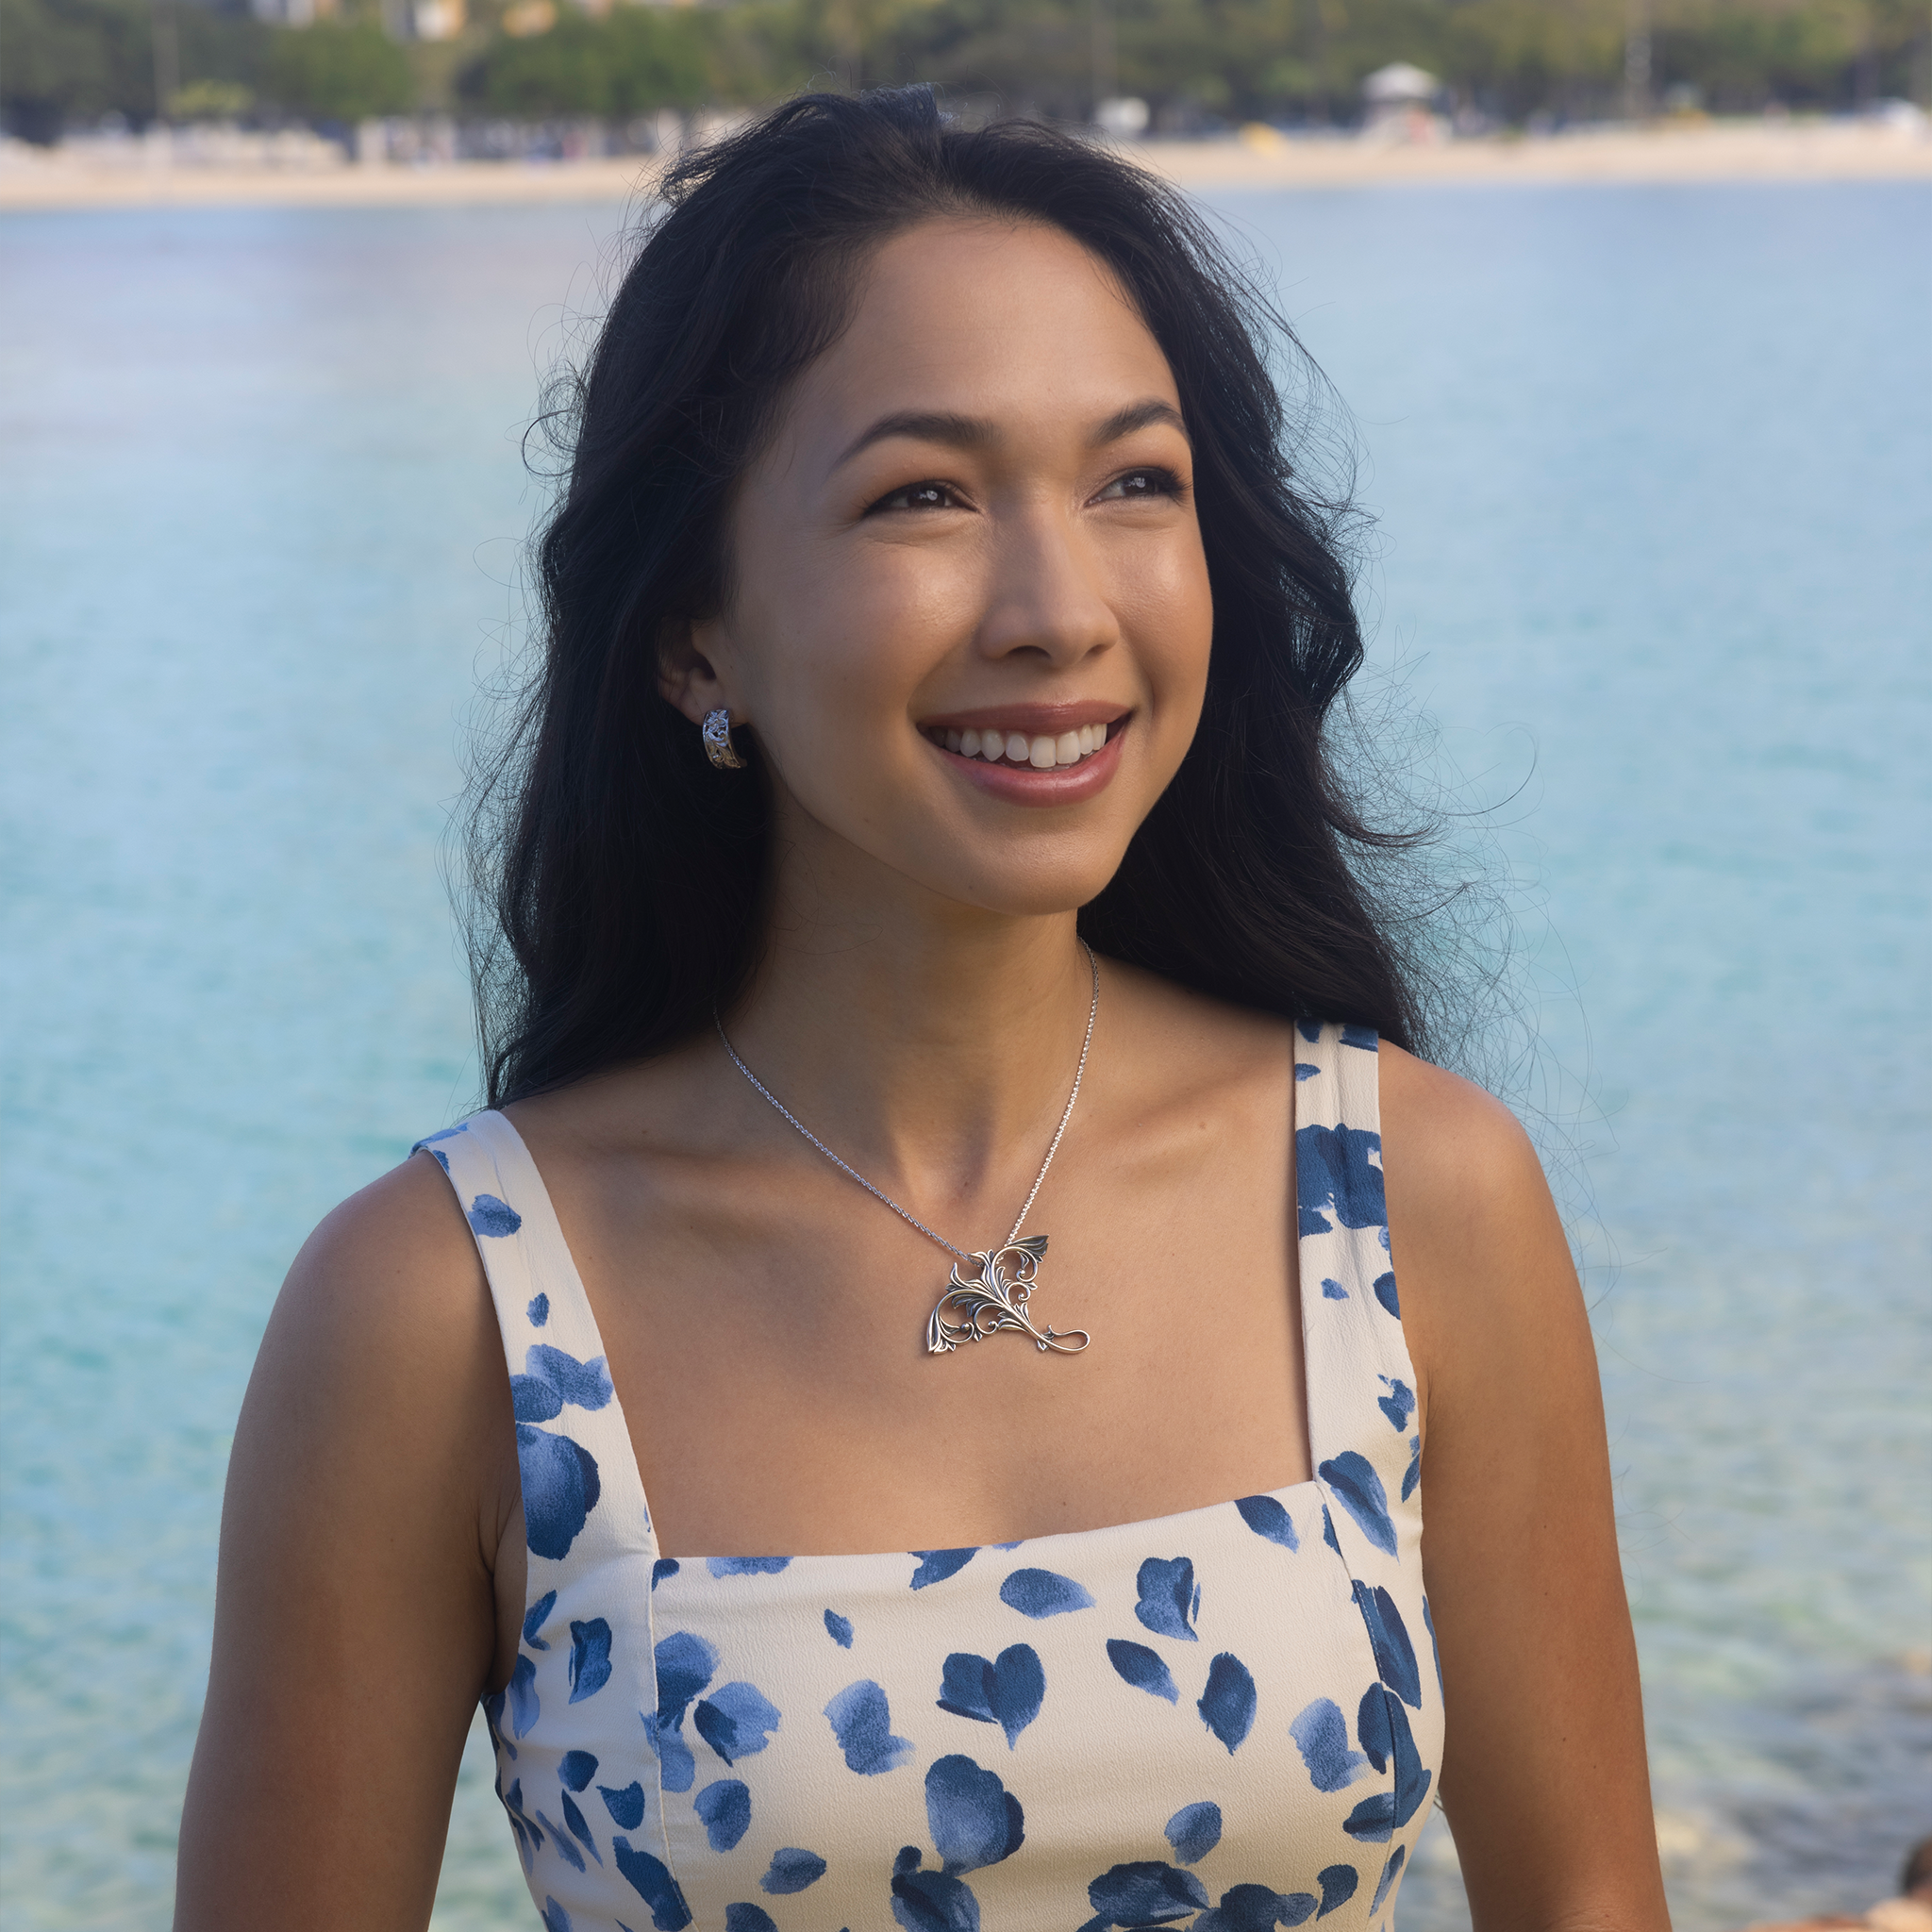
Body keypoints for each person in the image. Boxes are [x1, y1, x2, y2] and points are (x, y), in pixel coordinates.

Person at [175, 88, 1668, 1932]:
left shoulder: (1408, 1198)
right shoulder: (440, 1307)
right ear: (692, 631)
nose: (1058, 609)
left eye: (1136, 480)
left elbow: (1592, 1907)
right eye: (922, 498)